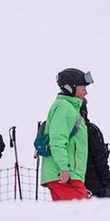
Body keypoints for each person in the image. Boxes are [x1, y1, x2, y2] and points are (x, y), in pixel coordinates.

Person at [42, 68, 94, 201]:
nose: (86, 92)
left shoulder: (71, 108)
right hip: (65, 175)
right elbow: (57, 140)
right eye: (83, 88)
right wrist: (64, 167)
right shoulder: (65, 108)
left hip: (67, 175)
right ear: (71, 88)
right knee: (86, 215)